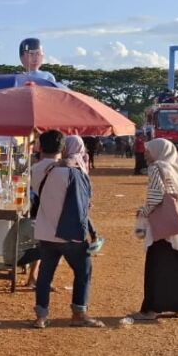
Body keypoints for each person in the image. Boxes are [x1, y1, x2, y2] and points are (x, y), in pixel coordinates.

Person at [127, 139, 178, 321]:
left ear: (158, 151)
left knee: (157, 267)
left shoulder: (156, 167)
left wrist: (144, 211)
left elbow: (156, 195)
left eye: (148, 150)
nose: (146, 154)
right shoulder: (176, 169)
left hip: (162, 227)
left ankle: (151, 310)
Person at [30, 131, 103, 328]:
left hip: (45, 231)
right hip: (69, 234)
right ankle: (79, 313)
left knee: (45, 275)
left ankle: (41, 316)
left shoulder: (36, 170)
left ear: (40, 148)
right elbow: (82, 207)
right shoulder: (73, 172)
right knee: (83, 271)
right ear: (62, 149)